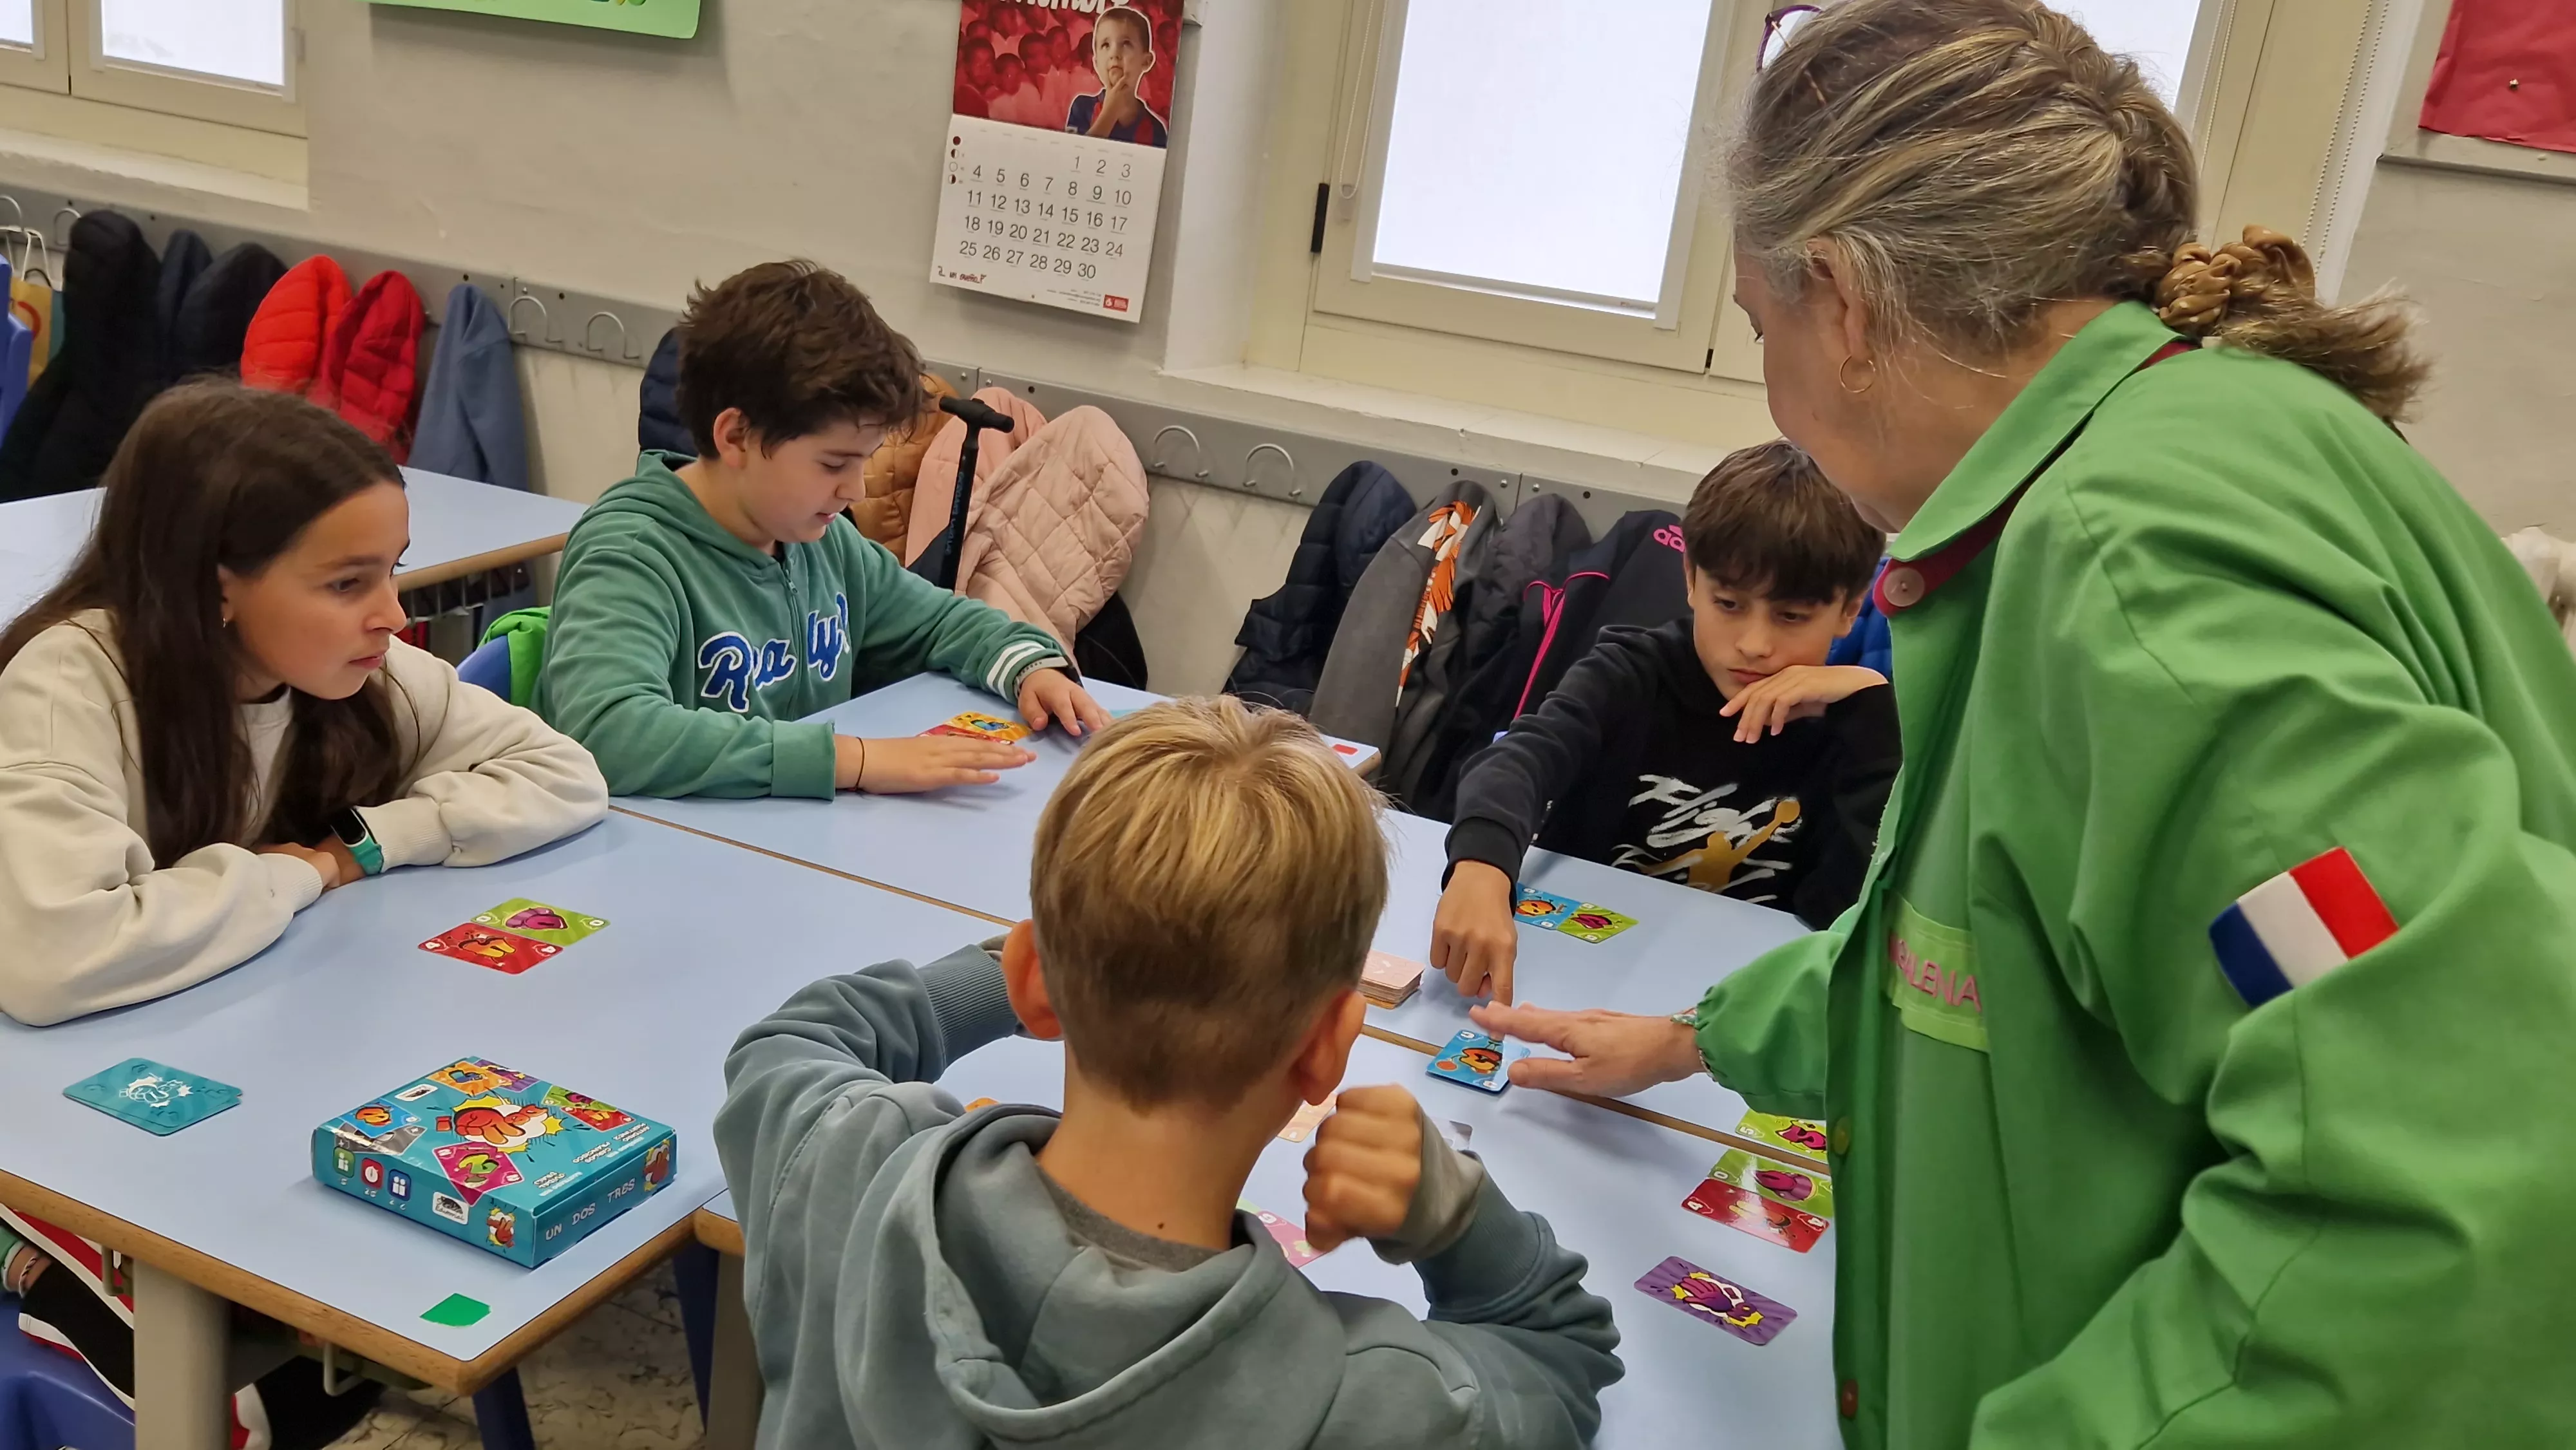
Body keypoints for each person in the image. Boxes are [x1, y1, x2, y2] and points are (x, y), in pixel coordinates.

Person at [1473, 1, 2576, 1445]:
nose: (1770, 387)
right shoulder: (2198, 429)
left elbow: (2475, 1160)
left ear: (1844, 303)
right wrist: (1695, 1036)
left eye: (1758, 326)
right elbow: (1984, 949)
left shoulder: (2131, 571)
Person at [715, 697, 1624, 1449]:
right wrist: (1454, 1217)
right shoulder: (1375, 1403)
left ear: (1036, 983)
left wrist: (1065, 956)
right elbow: (1559, 1358)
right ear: (1326, 1049)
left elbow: (793, 1043)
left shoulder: (847, 1160)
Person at [0, 381, 609, 1445]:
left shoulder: (352, 675)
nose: (394, 615)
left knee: (343, 1340)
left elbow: (566, 778)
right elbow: (56, 957)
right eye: (347, 581)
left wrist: (361, 848)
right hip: (38, 1109)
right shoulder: (72, 682)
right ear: (217, 586)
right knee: (255, 1396)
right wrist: (287, 877)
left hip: (204, 1064)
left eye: (396, 569)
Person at [538, 261, 1107, 799]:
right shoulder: (632, 554)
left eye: (864, 461)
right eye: (834, 465)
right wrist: (852, 761)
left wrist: (1032, 666)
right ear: (736, 437)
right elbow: (611, 735)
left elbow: (939, 622)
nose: (856, 489)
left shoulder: (819, 540)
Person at [1431, 440, 1896, 1003]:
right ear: (1691, 579)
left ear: (1850, 609)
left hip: (1741, 1004)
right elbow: (1518, 758)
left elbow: (1852, 914)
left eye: (1791, 617)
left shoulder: (1857, 725)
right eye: (1728, 604)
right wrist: (1481, 864)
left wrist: (1874, 711)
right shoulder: (1629, 673)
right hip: (1578, 976)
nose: (1754, 645)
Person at [1066, 5, 1168, 147]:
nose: (1114, 53)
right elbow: (1073, 156)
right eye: (1106, 45)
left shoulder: (1156, 130)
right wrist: (1110, 113)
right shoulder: (1082, 107)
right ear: (1096, 63)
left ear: (1146, 61)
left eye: (1126, 44)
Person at [986, 51, 1048, 128]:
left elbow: (1040, 120)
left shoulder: (1029, 91)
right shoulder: (993, 98)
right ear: (998, 77)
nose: (1014, 80)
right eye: (1009, 75)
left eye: (1018, 74)